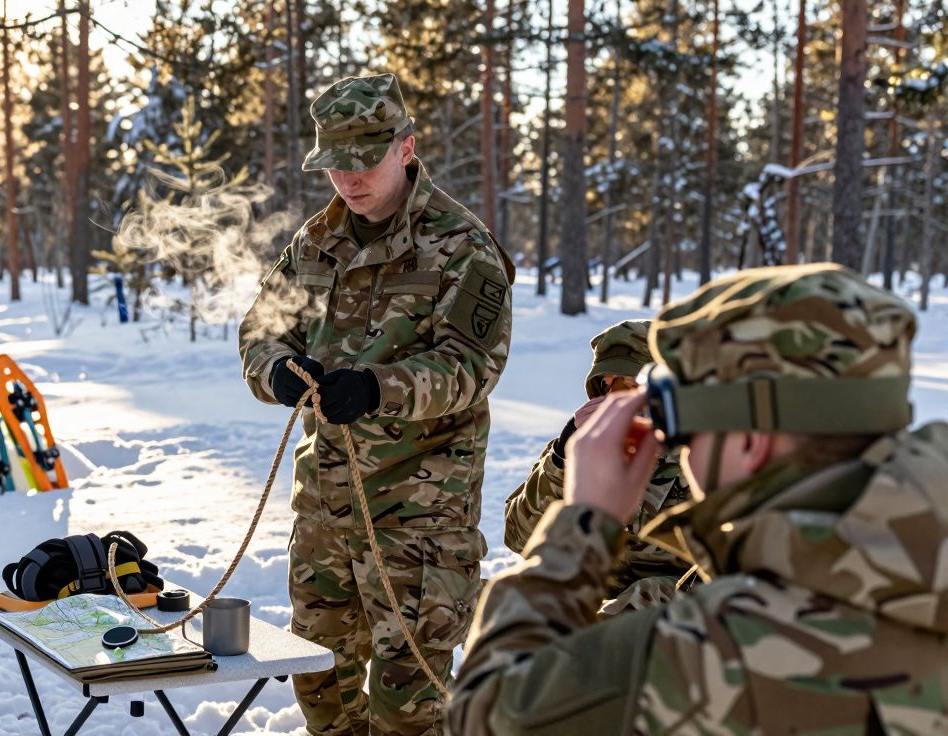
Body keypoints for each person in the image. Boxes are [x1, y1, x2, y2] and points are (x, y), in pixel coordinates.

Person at [447, 263, 948, 734]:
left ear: (751, 439)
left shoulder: (726, 653)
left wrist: (586, 518)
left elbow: (493, 711)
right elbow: (517, 527)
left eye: (682, 426)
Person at [238, 73, 514, 735]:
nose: (350, 178)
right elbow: (261, 329)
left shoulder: (460, 246)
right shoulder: (316, 242)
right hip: (327, 512)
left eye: (365, 160)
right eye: (335, 164)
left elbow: (471, 367)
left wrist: (375, 389)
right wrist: (277, 370)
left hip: (419, 528)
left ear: (407, 148)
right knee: (322, 696)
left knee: (407, 714)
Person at [503, 319, 692, 614]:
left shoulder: (701, 453)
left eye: (632, 384)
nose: (618, 397)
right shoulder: (585, 449)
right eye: (607, 385)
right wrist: (563, 457)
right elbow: (519, 538)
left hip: (678, 618)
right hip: (590, 604)